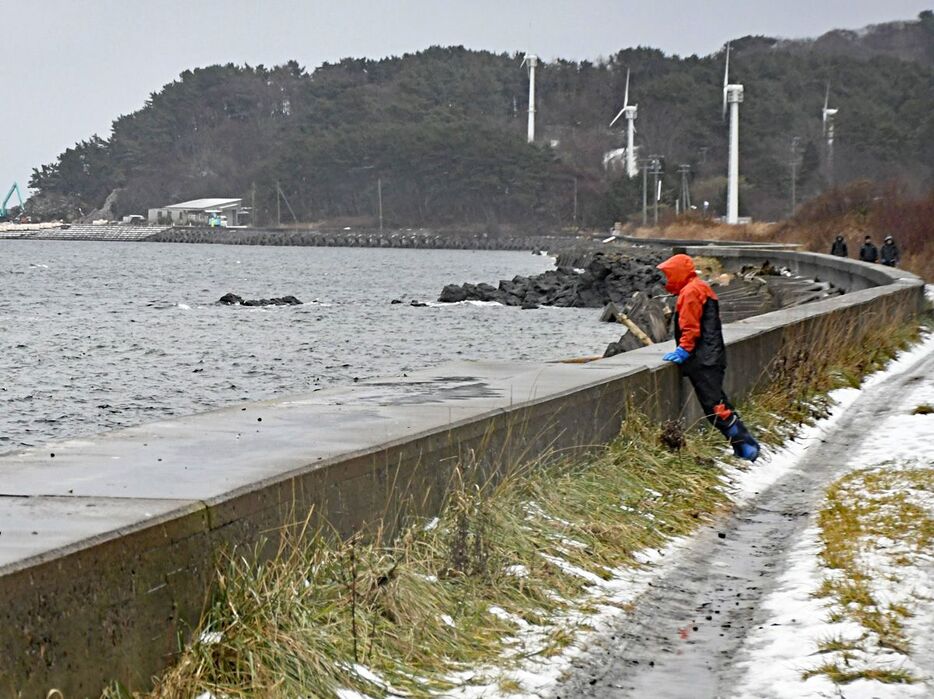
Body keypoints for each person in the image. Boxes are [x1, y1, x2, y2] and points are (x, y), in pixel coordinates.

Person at [656, 253, 760, 461]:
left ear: (678, 273)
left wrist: (683, 350)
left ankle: (746, 444)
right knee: (716, 402)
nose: (667, 280)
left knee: (714, 406)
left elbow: (690, 326)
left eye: (669, 275)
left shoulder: (690, 293)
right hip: (711, 355)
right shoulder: (700, 287)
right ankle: (742, 445)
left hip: (704, 359)